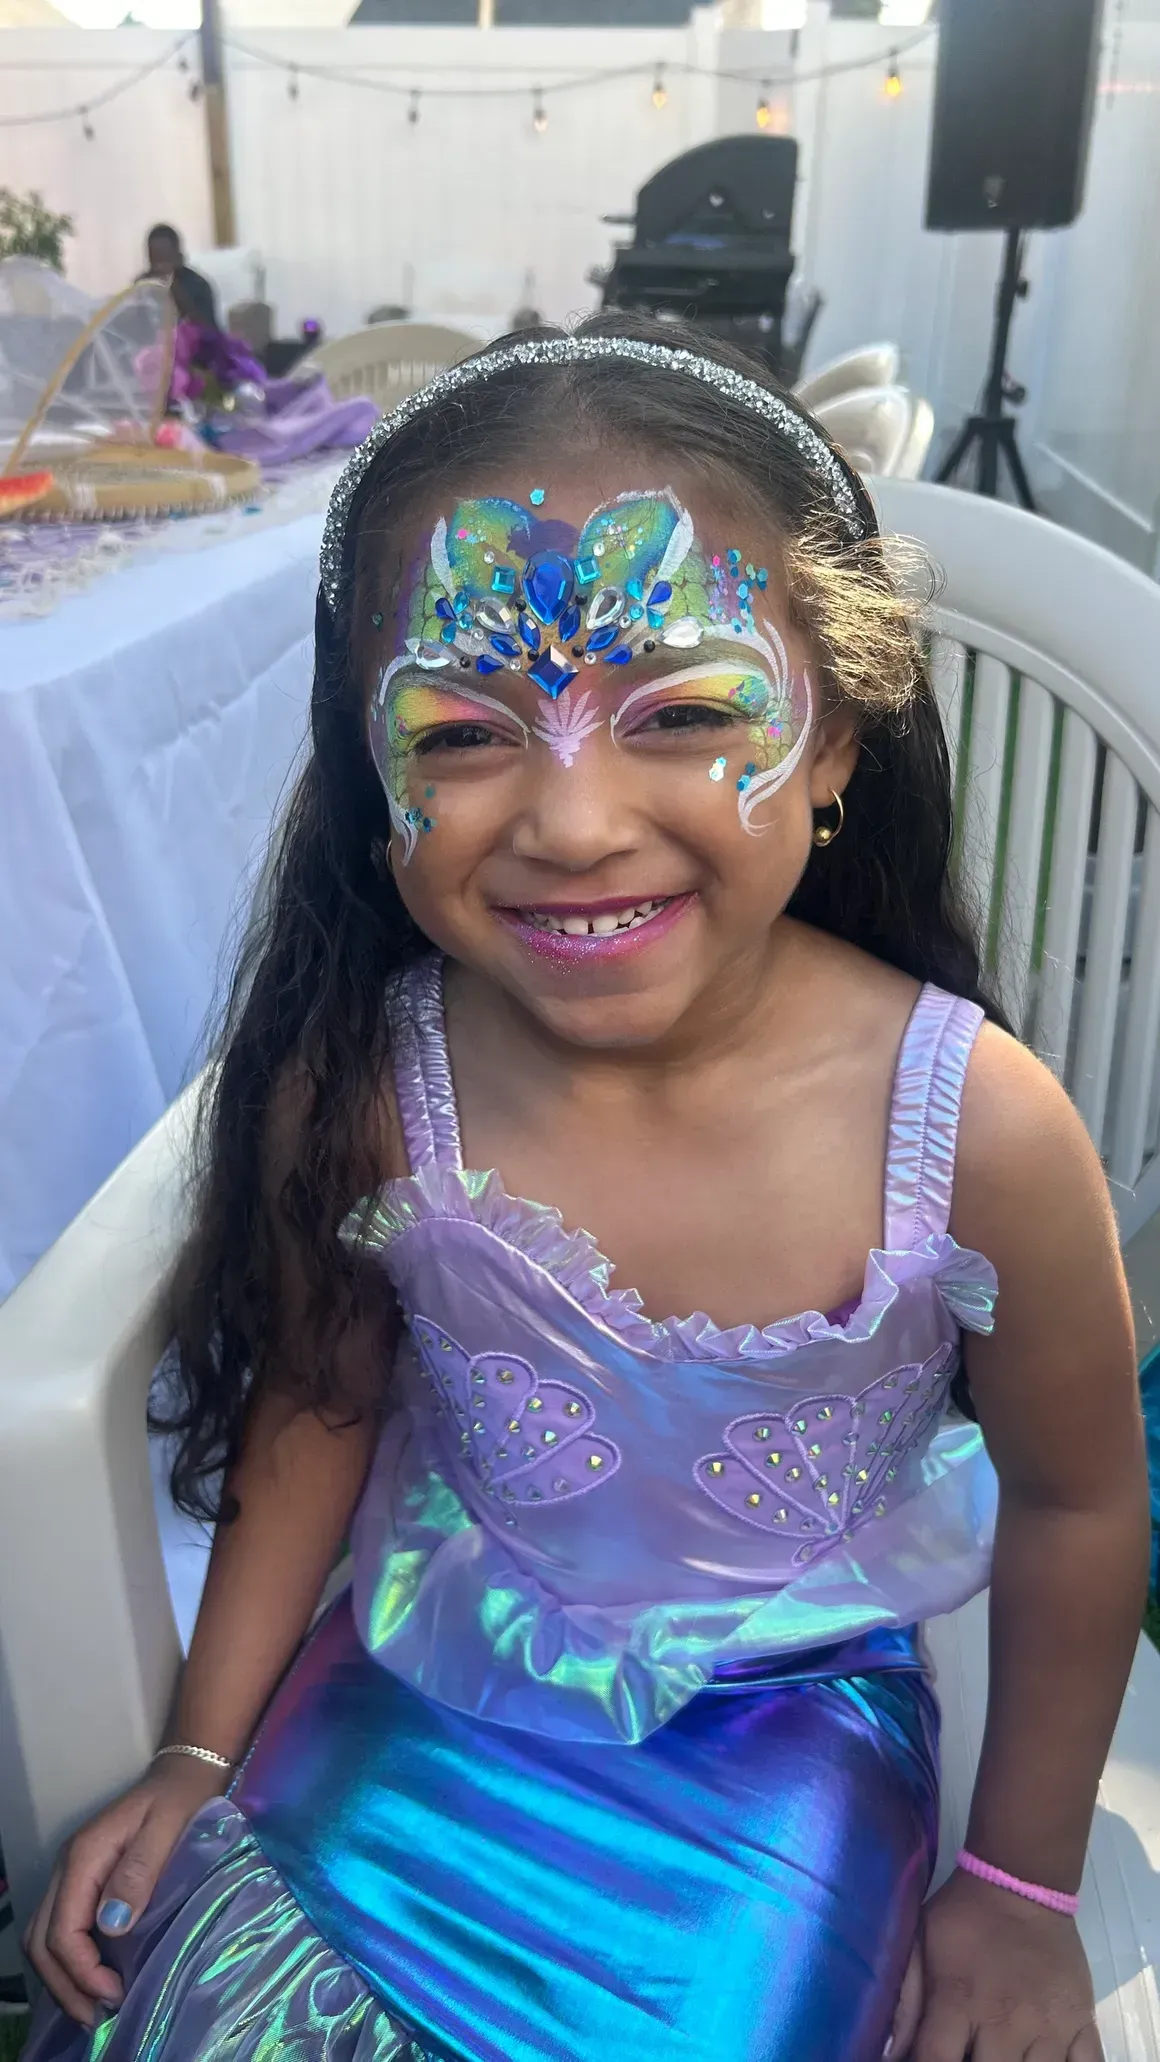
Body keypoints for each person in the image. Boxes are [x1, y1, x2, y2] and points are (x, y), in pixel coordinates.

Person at [23, 315, 1149, 2062]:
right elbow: (319, 1408)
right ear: (365, 769)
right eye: (464, 732)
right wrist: (197, 1746)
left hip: (782, 1748)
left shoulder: (975, 1126)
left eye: (689, 712)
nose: (571, 818)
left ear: (839, 733)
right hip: (413, 1691)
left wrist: (1020, 1886)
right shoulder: (371, 1080)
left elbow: (1079, 1502)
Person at [140, 223, 220, 334]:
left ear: (178, 256)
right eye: (155, 260)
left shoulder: (199, 285)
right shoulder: (142, 286)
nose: (159, 267)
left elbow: (208, 332)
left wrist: (174, 287)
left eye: (165, 259)